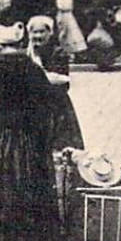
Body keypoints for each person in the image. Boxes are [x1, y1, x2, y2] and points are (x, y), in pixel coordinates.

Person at [0, 24, 61, 241]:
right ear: (21, 43)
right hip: (28, 138)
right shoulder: (33, 69)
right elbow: (49, 105)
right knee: (29, 184)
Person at [27, 14, 84, 152]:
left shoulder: (58, 53)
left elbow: (63, 82)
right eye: (35, 32)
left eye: (42, 32)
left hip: (56, 106)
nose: (38, 36)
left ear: (50, 33)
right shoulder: (27, 54)